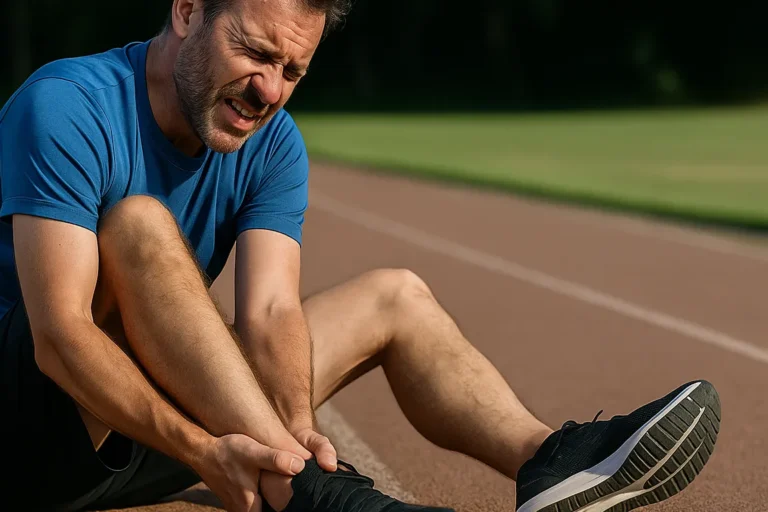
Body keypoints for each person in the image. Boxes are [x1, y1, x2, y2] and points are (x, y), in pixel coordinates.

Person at [0, 0, 721, 510]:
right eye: (254, 52)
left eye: (293, 70)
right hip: (34, 436)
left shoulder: (272, 142)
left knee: (395, 295)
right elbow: (60, 337)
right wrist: (201, 451)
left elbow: (272, 310)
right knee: (135, 223)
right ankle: (305, 493)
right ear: (188, 10)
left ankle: (548, 461)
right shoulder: (67, 104)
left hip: (158, 428)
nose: (269, 91)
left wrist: (294, 430)